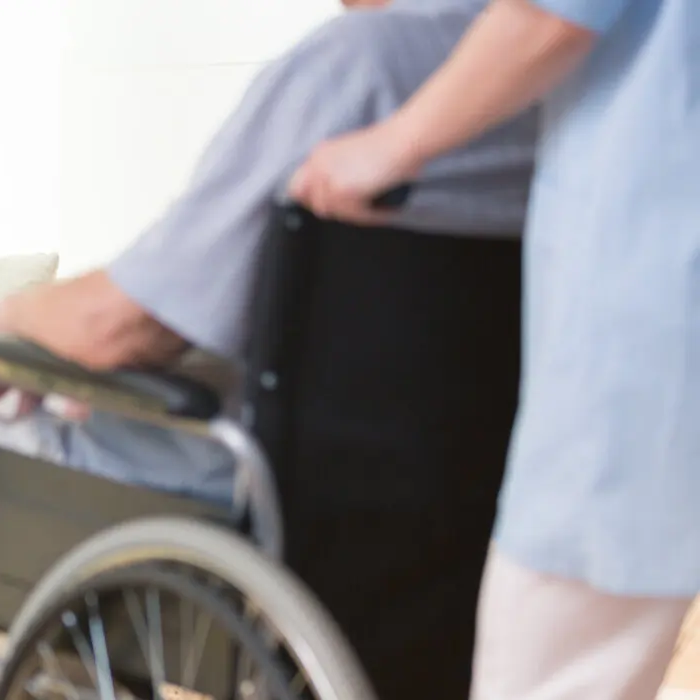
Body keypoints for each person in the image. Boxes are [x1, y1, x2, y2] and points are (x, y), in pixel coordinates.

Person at [0, 1, 542, 698]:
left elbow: (129, 319)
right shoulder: (547, 85)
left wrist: (10, 328)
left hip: (207, 501)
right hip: (429, 526)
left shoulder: (360, 63)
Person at [287, 1, 700, 697]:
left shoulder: (357, 65)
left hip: (647, 322)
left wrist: (394, 145)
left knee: (554, 665)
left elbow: (554, 16)